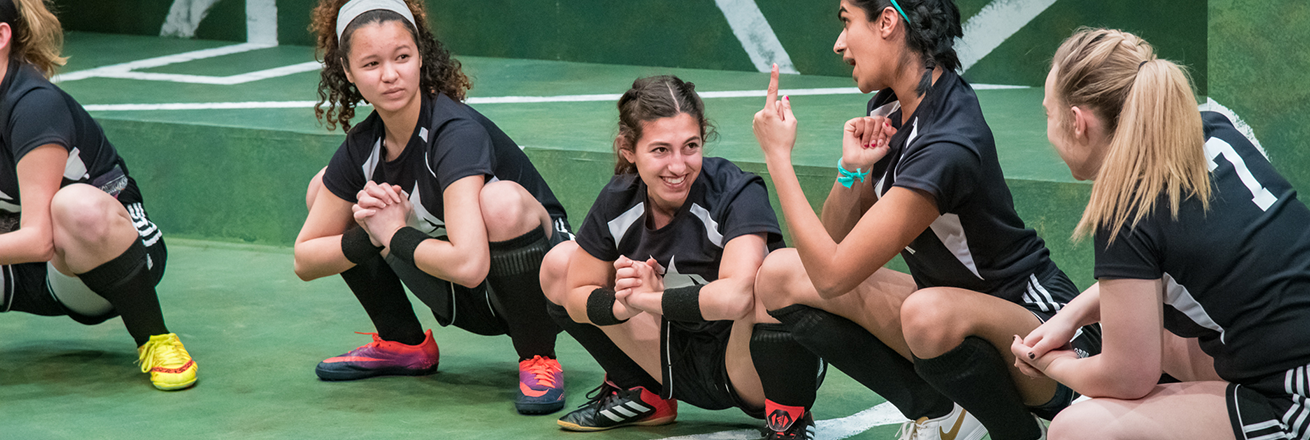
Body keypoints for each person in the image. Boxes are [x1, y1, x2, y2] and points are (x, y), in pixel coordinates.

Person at [750, 1, 1101, 439]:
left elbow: (833, 276)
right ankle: (943, 410)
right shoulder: (892, 108)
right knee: (779, 274)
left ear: (887, 22)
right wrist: (852, 170)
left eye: (846, 22)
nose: (840, 44)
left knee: (925, 313)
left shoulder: (946, 143)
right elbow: (831, 241)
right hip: (951, 316)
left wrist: (777, 158)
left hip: (1045, 331)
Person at [1011, 28, 1310, 440]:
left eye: (1049, 113)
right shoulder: (1213, 129)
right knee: (1157, 331)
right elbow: (1176, 270)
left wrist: (1051, 364)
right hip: (1291, 351)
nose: (1049, 127)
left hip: (1297, 401)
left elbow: (1128, 376)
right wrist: (1071, 314)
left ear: (1078, 123)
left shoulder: (1125, 208)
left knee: (1075, 430)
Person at [295, 0, 573, 415]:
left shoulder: (453, 132)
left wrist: (392, 233)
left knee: (500, 203)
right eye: (371, 64)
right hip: (456, 292)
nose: (390, 75)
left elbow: (470, 264)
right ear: (348, 73)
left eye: (402, 57)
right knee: (327, 191)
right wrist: (372, 232)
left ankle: (538, 357)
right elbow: (305, 259)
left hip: (539, 290)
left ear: (420, 58)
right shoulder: (363, 146)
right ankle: (403, 342)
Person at [539, 75, 824, 439]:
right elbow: (575, 293)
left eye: (690, 146)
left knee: (774, 274)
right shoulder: (618, 200)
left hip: (749, 366)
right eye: (660, 150)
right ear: (628, 149)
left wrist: (647, 299)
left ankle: (789, 417)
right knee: (559, 263)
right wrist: (622, 306)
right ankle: (643, 393)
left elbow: (736, 296)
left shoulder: (736, 192)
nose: (678, 166)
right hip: (669, 356)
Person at [0, 0, 196, 391]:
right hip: (14, 265)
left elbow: (39, 240)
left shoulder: (33, 105)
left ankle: (155, 337)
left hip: (95, 265)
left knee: (75, 206)